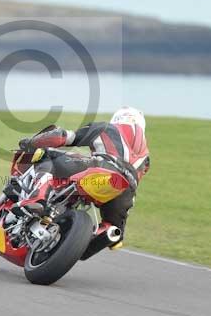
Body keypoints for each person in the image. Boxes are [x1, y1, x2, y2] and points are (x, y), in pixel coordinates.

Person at [17, 107, 150, 258]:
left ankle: (37, 199)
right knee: (113, 232)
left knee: (47, 156)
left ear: (117, 119)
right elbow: (136, 177)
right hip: (124, 191)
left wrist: (33, 142)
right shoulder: (146, 157)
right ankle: (97, 238)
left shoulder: (106, 127)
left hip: (102, 167)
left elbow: (64, 137)